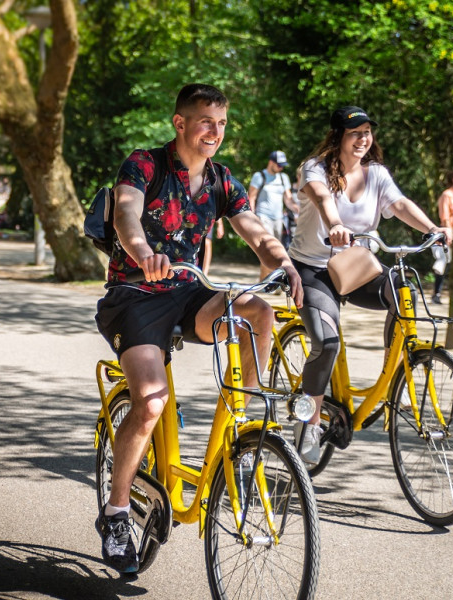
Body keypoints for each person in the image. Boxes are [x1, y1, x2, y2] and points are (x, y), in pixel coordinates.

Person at [93, 83, 303, 574]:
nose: (215, 131)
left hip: (190, 291)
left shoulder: (222, 180)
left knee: (258, 312)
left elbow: (257, 231)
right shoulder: (144, 164)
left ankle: (243, 429)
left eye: (222, 123)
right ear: (180, 123)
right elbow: (126, 214)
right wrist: (144, 254)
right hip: (136, 295)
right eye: (206, 121)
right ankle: (117, 512)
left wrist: (285, 264)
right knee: (150, 401)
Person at [288, 106, 451, 463]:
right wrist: (334, 224)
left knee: (402, 287)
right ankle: (309, 422)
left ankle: (399, 366)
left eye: (367, 132)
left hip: (357, 266)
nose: (363, 139)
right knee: (327, 343)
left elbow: (400, 204)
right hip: (314, 269)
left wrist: (432, 230)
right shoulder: (314, 167)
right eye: (354, 133)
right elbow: (321, 197)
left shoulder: (376, 173)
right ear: (338, 137)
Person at [249, 150, 299, 276]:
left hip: (279, 219)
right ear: (271, 162)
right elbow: (252, 198)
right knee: (269, 249)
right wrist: (252, 217)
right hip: (263, 217)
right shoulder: (259, 176)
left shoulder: (284, 178)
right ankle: (269, 283)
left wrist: (299, 210)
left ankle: (265, 280)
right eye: (279, 165)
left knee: (277, 251)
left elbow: (288, 199)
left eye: (283, 165)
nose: (281, 167)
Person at [431, 171, 453, 304]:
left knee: (447, 264)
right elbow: (445, 217)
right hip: (449, 234)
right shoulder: (447, 195)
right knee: (443, 263)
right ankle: (437, 293)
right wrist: (449, 235)